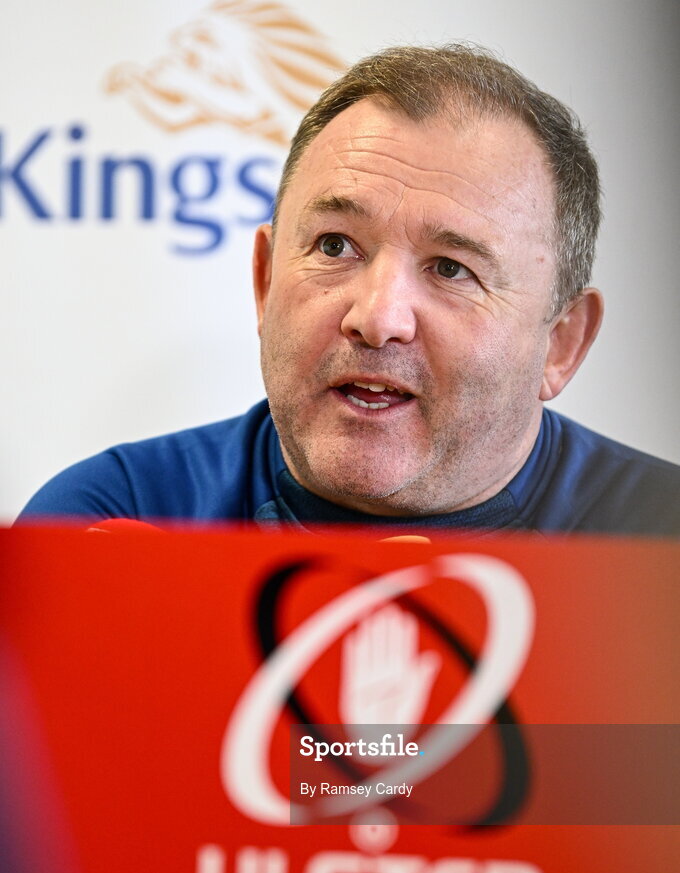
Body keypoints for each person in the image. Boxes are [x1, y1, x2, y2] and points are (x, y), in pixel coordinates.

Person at [18, 45, 680, 535]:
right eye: (335, 246)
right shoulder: (109, 518)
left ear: (561, 344)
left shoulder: (658, 545)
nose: (377, 317)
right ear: (265, 279)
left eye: (451, 269)